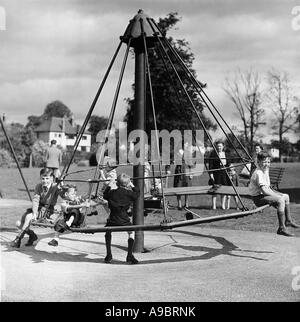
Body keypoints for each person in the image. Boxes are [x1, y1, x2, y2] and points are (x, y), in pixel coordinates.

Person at [249, 151, 300, 237]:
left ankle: (288, 220)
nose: (267, 164)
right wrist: (277, 196)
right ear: (258, 162)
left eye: (268, 162)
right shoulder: (258, 173)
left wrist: (278, 194)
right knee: (280, 200)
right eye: (264, 162)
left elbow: (268, 188)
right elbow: (265, 190)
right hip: (258, 198)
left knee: (286, 196)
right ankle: (281, 228)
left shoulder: (265, 170)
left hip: (264, 195)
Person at [10, 168, 62, 248]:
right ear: (40, 178)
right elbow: (35, 200)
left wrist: (60, 185)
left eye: (47, 178)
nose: (44, 181)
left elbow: (63, 194)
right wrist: (34, 212)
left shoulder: (55, 186)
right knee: (19, 223)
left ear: (52, 178)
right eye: (43, 178)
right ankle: (32, 236)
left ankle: (18, 239)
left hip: (48, 211)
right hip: (39, 209)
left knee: (27, 217)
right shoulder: (38, 186)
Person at [103, 173, 140, 264]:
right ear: (127, 184)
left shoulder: (112, 193)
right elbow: (137, 193)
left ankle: (108, 255)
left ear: (117, 184)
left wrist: (109, 185)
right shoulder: (129, 194)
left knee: (107, 232)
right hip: (124, 220)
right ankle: (129, 255)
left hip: (112, 220)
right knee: (131, 233)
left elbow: (104, 195)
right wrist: (131, 184)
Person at [208, 141, 229, 210]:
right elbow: (210, 164)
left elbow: (228, 164)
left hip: (224, 173)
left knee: (224, 189)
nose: (219, 147)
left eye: (220, 146)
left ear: (223, 146)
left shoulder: (226, 153)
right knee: (215, 189)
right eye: (218, 146)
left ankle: (223, 205)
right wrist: (211, 174)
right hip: (216, 173)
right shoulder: (213, 154)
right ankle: (214, 205)